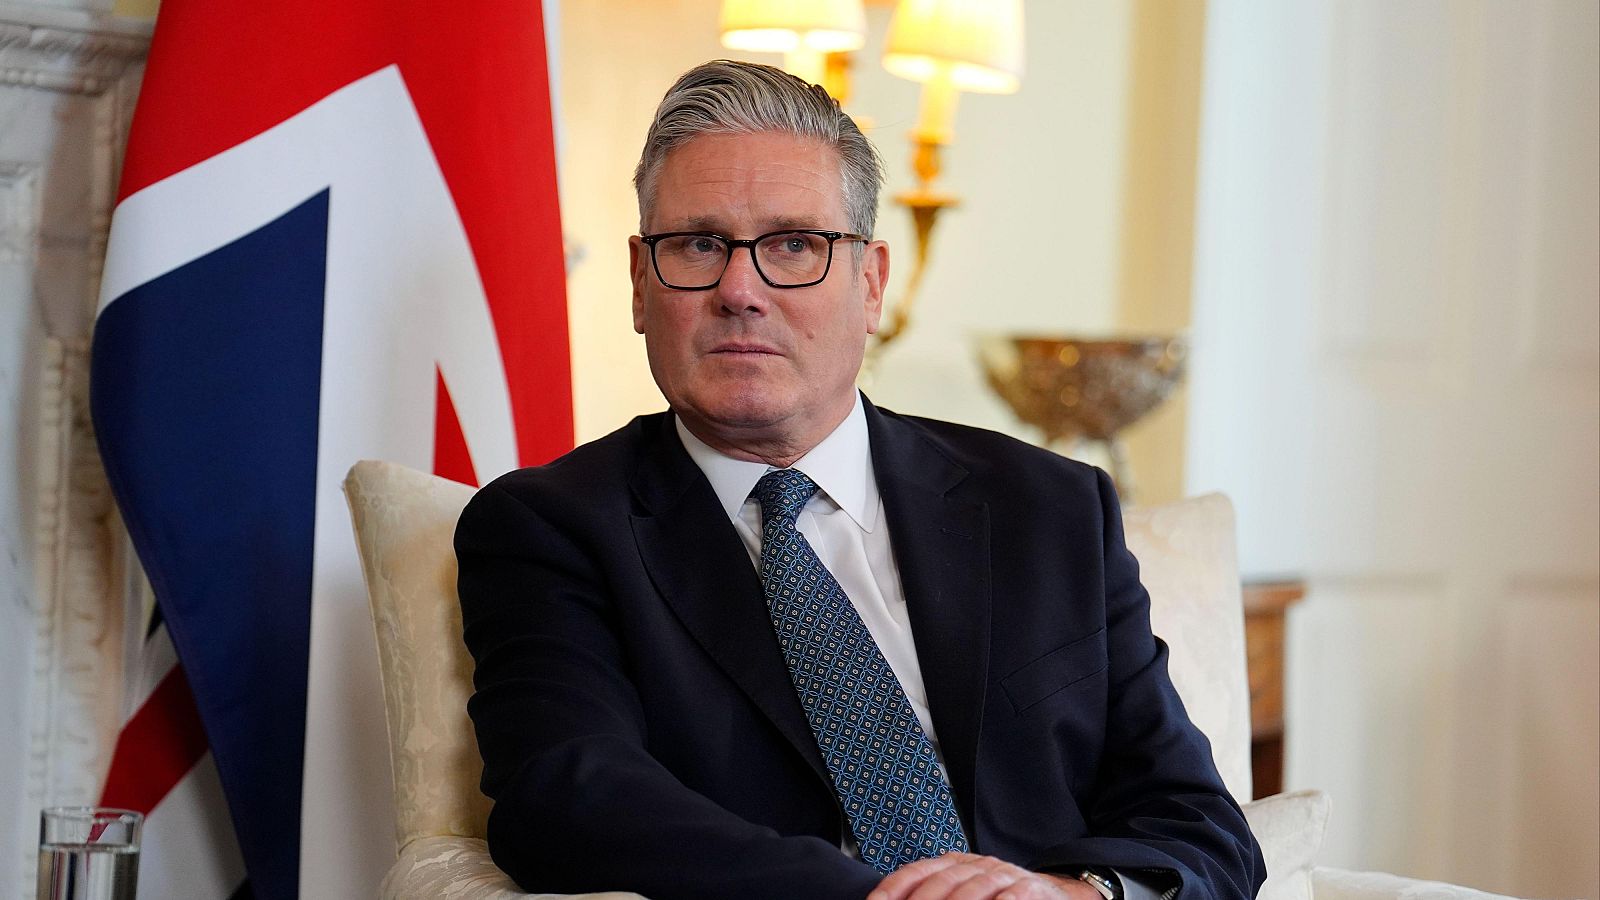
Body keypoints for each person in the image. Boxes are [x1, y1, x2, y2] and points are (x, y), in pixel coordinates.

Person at [456, 60, 1265, 900]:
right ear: (638, 282)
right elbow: (567, 799)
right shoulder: (547, 528)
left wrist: (1077, 895)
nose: (739, 289)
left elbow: (1197, 827)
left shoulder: (1050, 508)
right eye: (698, 244)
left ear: (871, 283)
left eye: (794, 245)